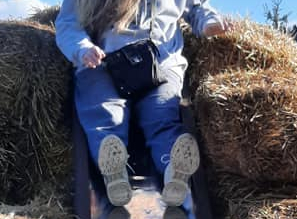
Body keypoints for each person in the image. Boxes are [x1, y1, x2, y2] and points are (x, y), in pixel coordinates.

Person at [55, 0, 230, 207]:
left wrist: (210, 23)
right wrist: (83, 49)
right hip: (103, 63)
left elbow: (197, 8)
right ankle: (114, 169)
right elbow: (68, 24)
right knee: (105, 113)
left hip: (159, 64)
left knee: (162, 115)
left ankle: (173, 169)